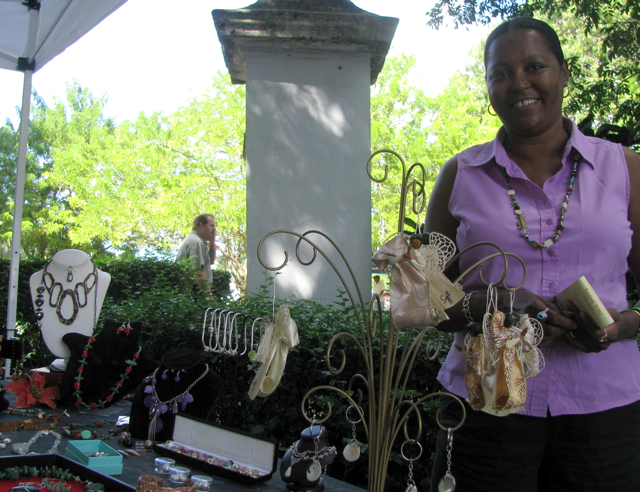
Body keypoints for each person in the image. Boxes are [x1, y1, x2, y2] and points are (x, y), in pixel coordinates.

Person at [425, 17, 640, 492]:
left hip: (603, 410)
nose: (518, 83)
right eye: (499, 73)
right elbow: (420, 300)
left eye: (535, 66)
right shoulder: (459, 175)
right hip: (484, 407)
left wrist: (627, 325)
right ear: (487, 88)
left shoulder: (625, 169)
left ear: (563, 73)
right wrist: (496, 306)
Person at [176, 214, 217, 296]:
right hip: (195, 291)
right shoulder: (196, 242)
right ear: (201, 225)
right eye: (211, 226)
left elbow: (211, 261)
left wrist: (212, 242)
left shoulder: (197, 240)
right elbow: (198, 270)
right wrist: (208, 295)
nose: (214, 229)